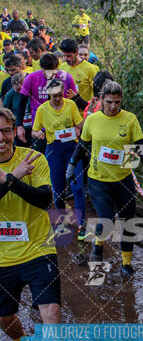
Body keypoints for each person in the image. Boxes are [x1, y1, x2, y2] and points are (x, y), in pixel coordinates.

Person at [0, 107, 67, 341]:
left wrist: (11, 180)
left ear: (14, 130)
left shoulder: (33, 158)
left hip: (39, 247)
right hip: (3, 257)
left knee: (51, 313)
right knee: (5, 319)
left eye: (4, 130)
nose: (0, 138)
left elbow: (44, 199)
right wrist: (11, 178)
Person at [67, 81, 143, 276]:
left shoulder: (130, 119)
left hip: (123, 179)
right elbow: (83, 145)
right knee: (107, 218)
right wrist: (71, 165)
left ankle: (126, 263)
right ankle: (98, 244)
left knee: (127, 221)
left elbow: (140, 146)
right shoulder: (92, 120)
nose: (113, 106)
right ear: (101, 100)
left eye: (117, 102)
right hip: (98, 178)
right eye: (109, 102)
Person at [32, 80, 86, 240]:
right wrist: (37, 134)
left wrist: (79, 127)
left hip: (72, 149)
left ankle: (81, 224)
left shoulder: (70, 105)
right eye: (54, 96)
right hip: (54, 151)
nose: (58, 99)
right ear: (48, 95)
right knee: (58, 189)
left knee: (78, 187)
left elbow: (81, 125)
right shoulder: (42, 109)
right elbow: (35, 130)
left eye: (60, 95)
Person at [15, 52, 77, 151]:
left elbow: (75, 103)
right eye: (46, 71)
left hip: (63, 128)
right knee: (41, 160)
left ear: (57, 67)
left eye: (53, 71)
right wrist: (19, 125)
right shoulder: (31, 78)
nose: (50, 75)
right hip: (40, 129)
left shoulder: (67, 78)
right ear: (41, 67)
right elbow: (22, 103)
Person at [60, 39, 97, 104]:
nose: (66, 58)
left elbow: (98, 94)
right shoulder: (62, 67)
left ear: (76, 53)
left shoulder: (90, 69)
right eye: (64, 56)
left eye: (69, 56)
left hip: (83, 112)